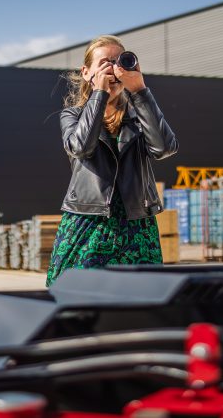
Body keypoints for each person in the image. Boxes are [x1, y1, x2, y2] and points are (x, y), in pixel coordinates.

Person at [45, 35, 179, 286]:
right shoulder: (72, 115)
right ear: (87, 72)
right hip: (89, 221)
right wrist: (100, 94)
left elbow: (164, 148)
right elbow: (81, 147)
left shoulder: (139, 115)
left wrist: (140, 90)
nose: (113, 69)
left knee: (143, 299)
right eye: (105, 62)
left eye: (119, 62)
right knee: (74, 297)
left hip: (136, 224)